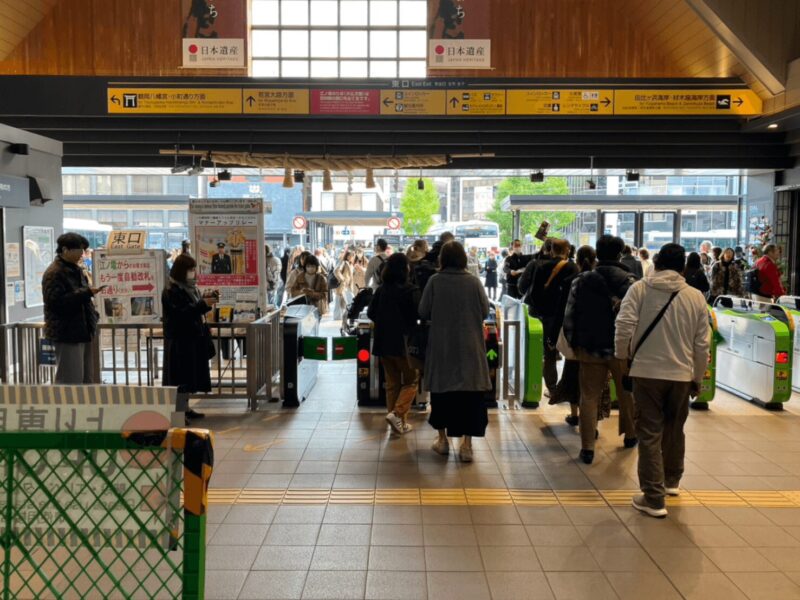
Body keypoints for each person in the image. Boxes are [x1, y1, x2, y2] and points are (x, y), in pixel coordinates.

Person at [615, 243, 710, 518]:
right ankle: (671, 481)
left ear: (655, 262)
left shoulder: (641, 289)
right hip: (681, 374)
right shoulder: (695, 297)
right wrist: (697, 376)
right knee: (674, 428)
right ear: (682, 268)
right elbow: (702, 344)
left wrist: (623, 356)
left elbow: (623, 325)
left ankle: (653, 498)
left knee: (649, 432)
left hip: (646, 373)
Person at [562, 235, 638, 464]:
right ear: (619, 254)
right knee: (627, 393)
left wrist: (574, 343)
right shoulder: (631, 282)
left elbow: (570, 314)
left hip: (590, 347)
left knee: (589, 396)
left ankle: (587, 448)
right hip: (621, 349)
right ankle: (631, 436)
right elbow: (637, 318)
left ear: (597, 253)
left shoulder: (581, 280)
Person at [419, 241, 491, 462]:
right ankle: (467, 446)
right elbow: (485, 310)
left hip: (442, 346)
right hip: (470, 347)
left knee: (442, 395)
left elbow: (423, 311)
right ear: (462, 259)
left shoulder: (435, 281)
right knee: (470, 397)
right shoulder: (473, 282)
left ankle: (442, 442)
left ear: (442, 259)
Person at [367, 253, 420, 435]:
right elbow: (417, 316)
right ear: (405, 269)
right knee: (412, 380)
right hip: (404, 344)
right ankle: (397, 415)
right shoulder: (410, 290)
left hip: (383, 343)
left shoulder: (382, 289)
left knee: (392, 384)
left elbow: (371, 313)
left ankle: (398, 422)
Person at [162, 254, 218, 420]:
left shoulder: (191, 288)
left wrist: (205, 304)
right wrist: (202, 305)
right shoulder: (171, 290)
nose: (193, 273)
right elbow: (181, 314)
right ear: (182, 270)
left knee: (188, 377)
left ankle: (185, 408)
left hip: (192, 337)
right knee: (180, 378)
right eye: (190, 269)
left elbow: (194, 310)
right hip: (180, 340)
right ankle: (178, 413)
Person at [42, 233, 101, 384]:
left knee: (86, 378)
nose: (82, 253)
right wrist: (86, 293)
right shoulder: (54, 273)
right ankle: (67, 408)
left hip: (83, 330)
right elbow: (55, 303)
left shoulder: (76, 270)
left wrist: (93, 315)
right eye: (79, 250)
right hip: (67, 333)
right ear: (65, 250)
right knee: (70, 380)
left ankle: (85, 408)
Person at [524, 239, 578, 398]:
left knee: (549, 354)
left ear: (552, 250)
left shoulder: (541, 266)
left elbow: (533, 294)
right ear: (567, 250)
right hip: (567, 316)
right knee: (570, 353)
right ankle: (568, 388)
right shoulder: (573, 268)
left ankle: (552, 388)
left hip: (547, 316)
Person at [553, 245, 596, 425]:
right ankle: (592, 422)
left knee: (572, 376)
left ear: (576, 260)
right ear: (594, 261)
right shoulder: (600, 281)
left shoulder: (571, 281)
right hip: (596, 340)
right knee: (593, 383)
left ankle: (575, 415)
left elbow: (562, 311)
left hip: (575, 338)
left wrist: (555, 334)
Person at [333, 251, 355, 321]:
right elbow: (336, 271)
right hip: (342, 285)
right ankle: (337, 317)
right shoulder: (343, 262)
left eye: (353, 256)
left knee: (343, 301)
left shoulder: (350, 263)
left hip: (347, 286)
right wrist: (342, 279)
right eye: (351, 256)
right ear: (347, 256)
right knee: (339, 301)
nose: (352, 257)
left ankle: (342, 316)